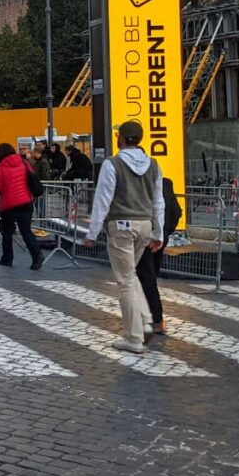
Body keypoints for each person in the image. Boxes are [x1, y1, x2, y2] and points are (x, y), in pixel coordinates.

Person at [83, 120, 165, 355]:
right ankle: (146, 321)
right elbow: (158, 201)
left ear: (120, 137)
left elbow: (103, 200)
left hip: (121, 225)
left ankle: (135, 337)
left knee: (125, 281)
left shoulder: (113, 164)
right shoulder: (153, 165)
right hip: (145, 225)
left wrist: (92, 233)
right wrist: (158, 232)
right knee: (131, 275)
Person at [136, 176, 182, 340]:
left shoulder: (142, 184)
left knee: (145, 277)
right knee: (151, 276)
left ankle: (155, 318)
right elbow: (176, 212)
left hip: (147, 236)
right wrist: (166, 231)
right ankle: (152, 317)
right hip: (161, 236)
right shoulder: (166, 183)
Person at [0, 142, 44, 270]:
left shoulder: (0, 167)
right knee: (26, 231)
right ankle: (36, 255)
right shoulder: (23, 162)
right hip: (26, 201)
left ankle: (7, 258)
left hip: (9, 204)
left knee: (7, 233)